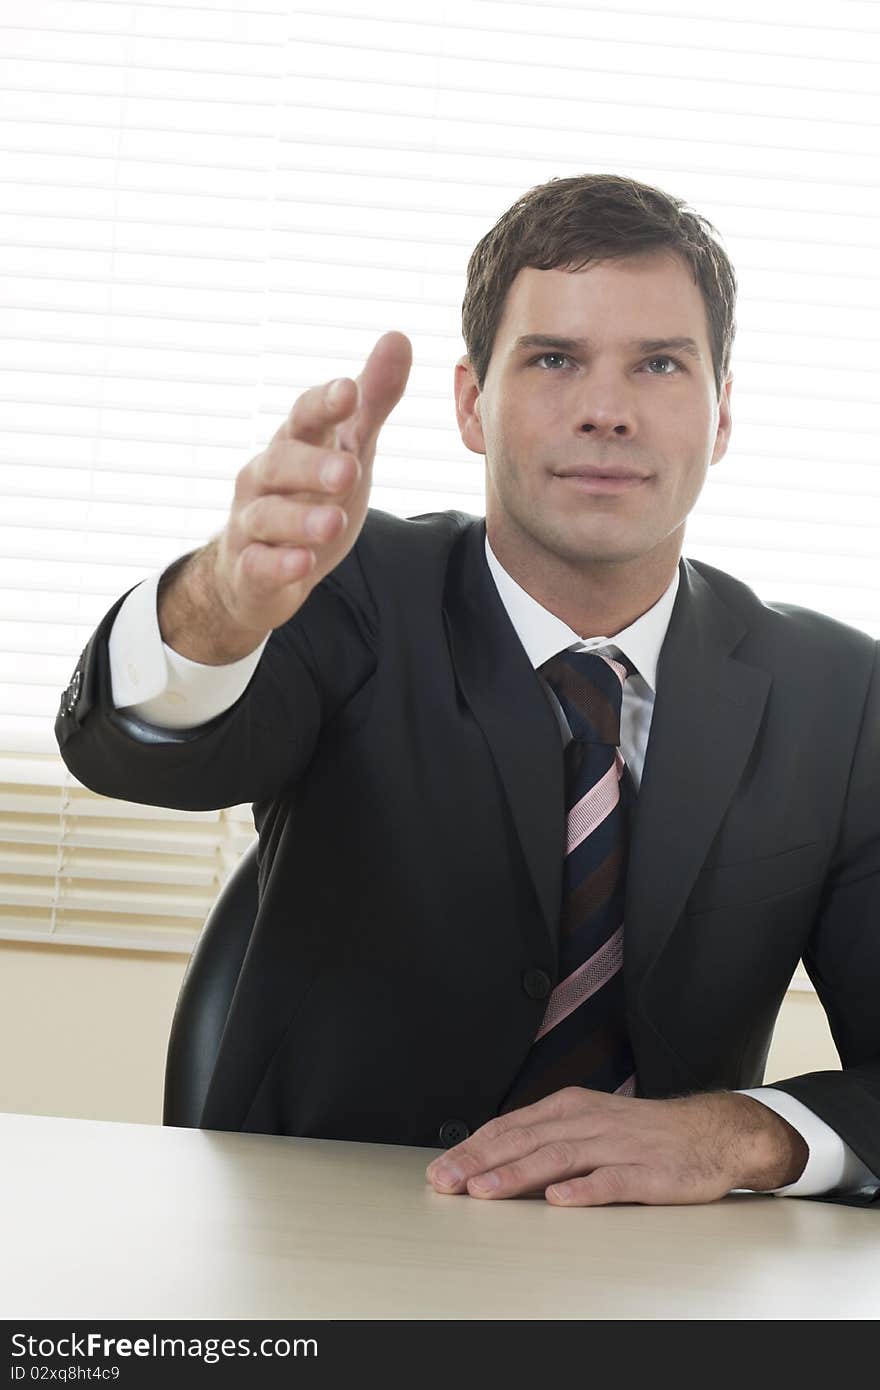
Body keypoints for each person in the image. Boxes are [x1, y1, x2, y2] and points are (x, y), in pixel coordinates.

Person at [55, 173, 879, 1208]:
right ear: (469, 404)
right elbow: (129, 753)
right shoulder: (346, 592)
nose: (607, 410)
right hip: (317, 1247)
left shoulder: (840, 698)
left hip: (652, 1269)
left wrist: (739, 1132)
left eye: (661, 364)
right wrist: (220, 601)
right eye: (553, 359)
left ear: (720, 417)